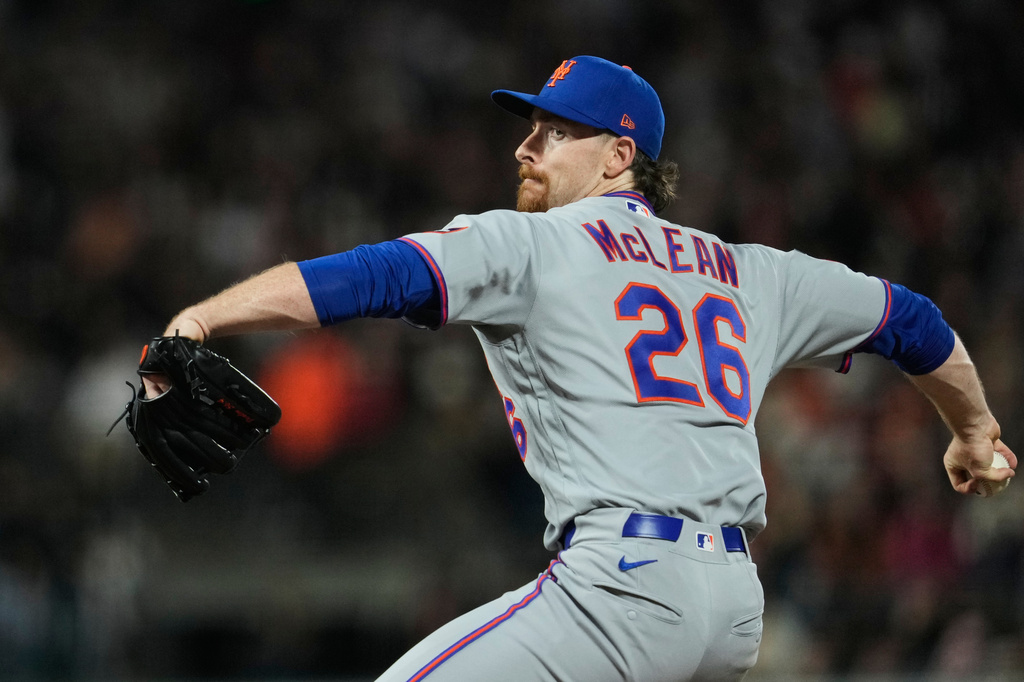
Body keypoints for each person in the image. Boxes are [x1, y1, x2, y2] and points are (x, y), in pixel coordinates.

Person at [142, 56, 1016, 681]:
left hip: (624, 588)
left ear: (617, 157)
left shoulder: (533, 245)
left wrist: (203, 318)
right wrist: (974, 432)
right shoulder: (752, 271)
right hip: (734, 606)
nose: (526, 148)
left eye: (555, 131)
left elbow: (373, 276)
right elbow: (912, 320)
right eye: (529, 129)